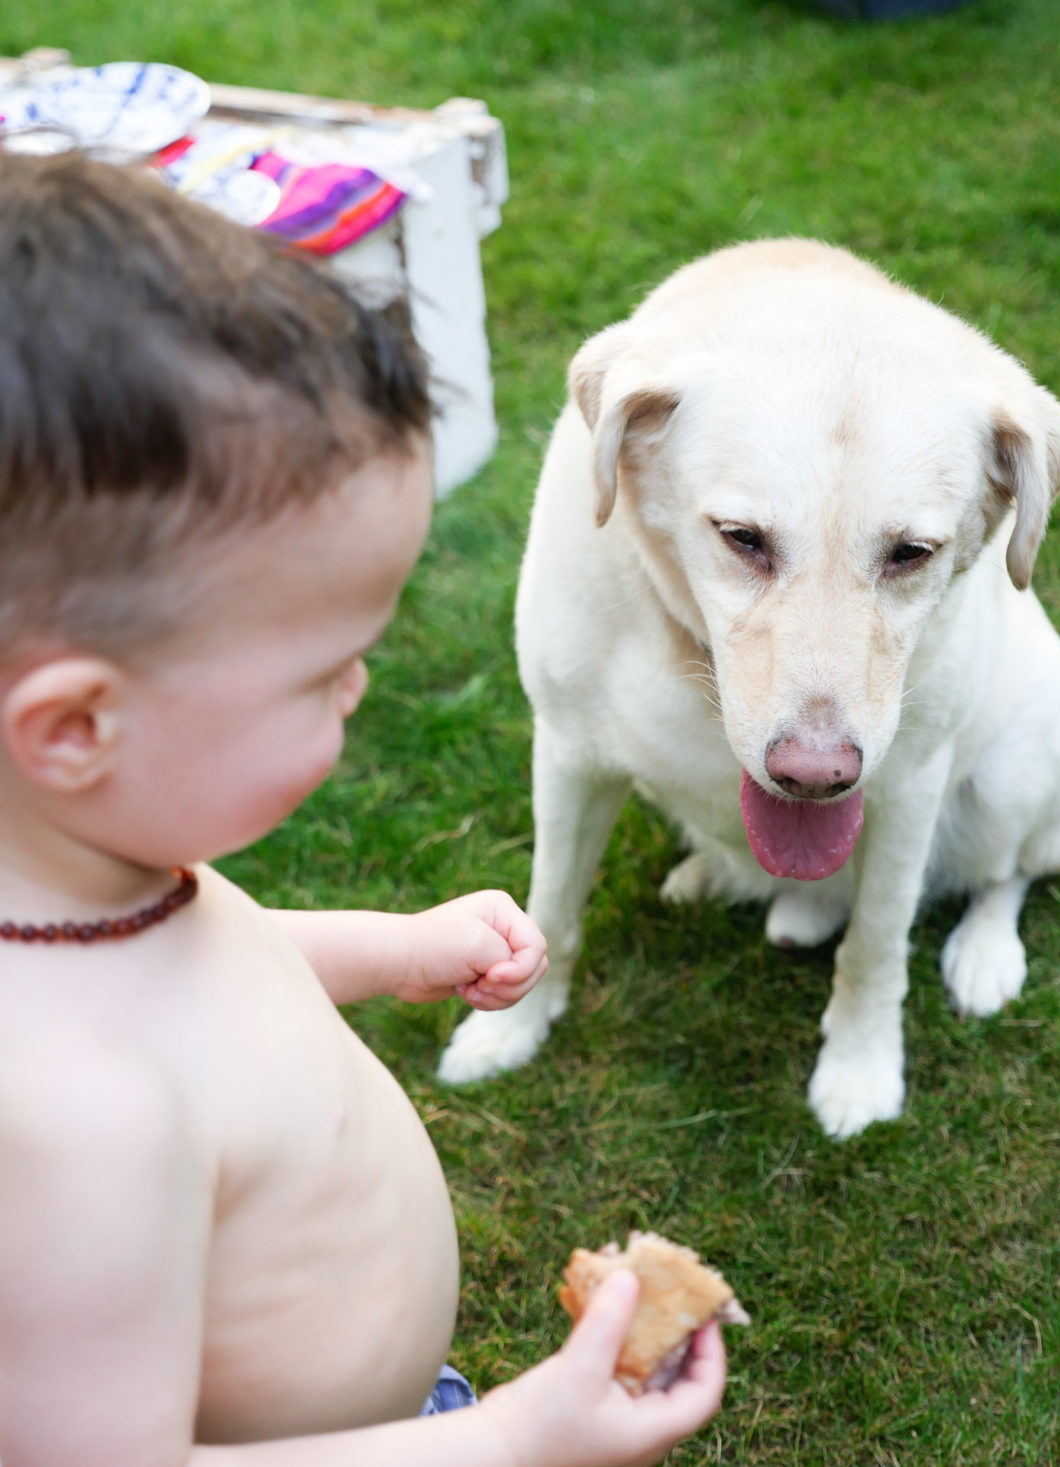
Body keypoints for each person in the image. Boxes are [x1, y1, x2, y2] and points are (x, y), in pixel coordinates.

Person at [0, 150, 727, 1467]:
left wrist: (395, 951)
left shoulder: (81, 866)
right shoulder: (70, 1125)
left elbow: (207, 963)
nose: (361, 682)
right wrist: (506, 1446)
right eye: (317, 669)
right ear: (74, 729)